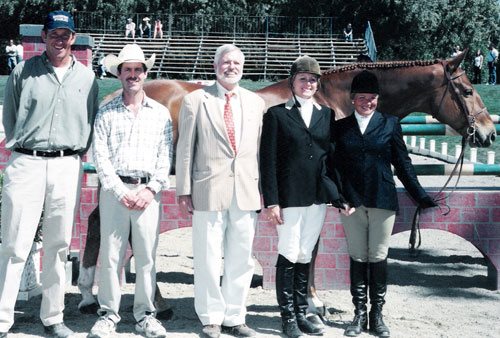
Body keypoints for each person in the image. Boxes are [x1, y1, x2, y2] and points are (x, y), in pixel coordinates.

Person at [0, 10, 98, 338]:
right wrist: (23, 148)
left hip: (66, 164)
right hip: (26, 162)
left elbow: (89, 120)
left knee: (58, 244)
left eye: (65, 34)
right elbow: (11, 117)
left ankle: (53, 317)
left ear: (73, 38)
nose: (60, 39)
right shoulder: (22, 71)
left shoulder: (86, 78)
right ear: (43, 36)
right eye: (54, 33)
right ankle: (2, 319)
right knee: (15, 244)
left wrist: (73, 156)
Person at [329, 70, 437, 338]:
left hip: (382, 200)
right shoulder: (340, 127)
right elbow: (333, 166)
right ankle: (358, 314)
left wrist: (419, 195)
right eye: (362, 97)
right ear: (353, 99)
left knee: (377, 256)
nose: (367, 102)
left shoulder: (390, 123)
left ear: (378, 98)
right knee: (357, 256)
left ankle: (377, 314)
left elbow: (403, 164)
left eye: (372, 97)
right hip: (351, 203)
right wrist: (339, 198)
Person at [176, 44, 265, 338]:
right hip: (207, 189)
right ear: (216, 67)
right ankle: (211, 317)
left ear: (243, 66)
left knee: (242, 258)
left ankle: (235, 316)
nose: (231, 67)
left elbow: (259, 151)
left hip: (245, 190)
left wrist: (263, 188)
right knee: (208, 256)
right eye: (225, 62)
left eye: (236, 62)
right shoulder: (196, 100)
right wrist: (184, 189)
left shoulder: (255, 103)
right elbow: (186, 148)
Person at [260, 55, 350, 338]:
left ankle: (301, 312)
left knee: (304, 253)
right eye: (303, 79)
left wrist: (339, 196)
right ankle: (287, 316)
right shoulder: (276, 114)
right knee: (288, 252)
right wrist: (272, 201)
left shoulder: (326, 115)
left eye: (313, 79)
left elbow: (330, 159)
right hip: (289, 197)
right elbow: (268, 162)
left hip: (316, 197)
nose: (308, 83)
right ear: (292, 82)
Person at [88, 43, 172, 338]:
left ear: (145, 74)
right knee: (111, 257)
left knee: (147, 256)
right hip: (115, 192)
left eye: (138, 69)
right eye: (127, 70)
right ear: (119, 74)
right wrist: (119, 190)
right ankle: (108, 315)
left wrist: (150, 190)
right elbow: (100, 156)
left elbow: (166, 157)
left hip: (148, 193)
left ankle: (145, 314)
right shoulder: (106, 112)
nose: (133, 75)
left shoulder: (160, 114)